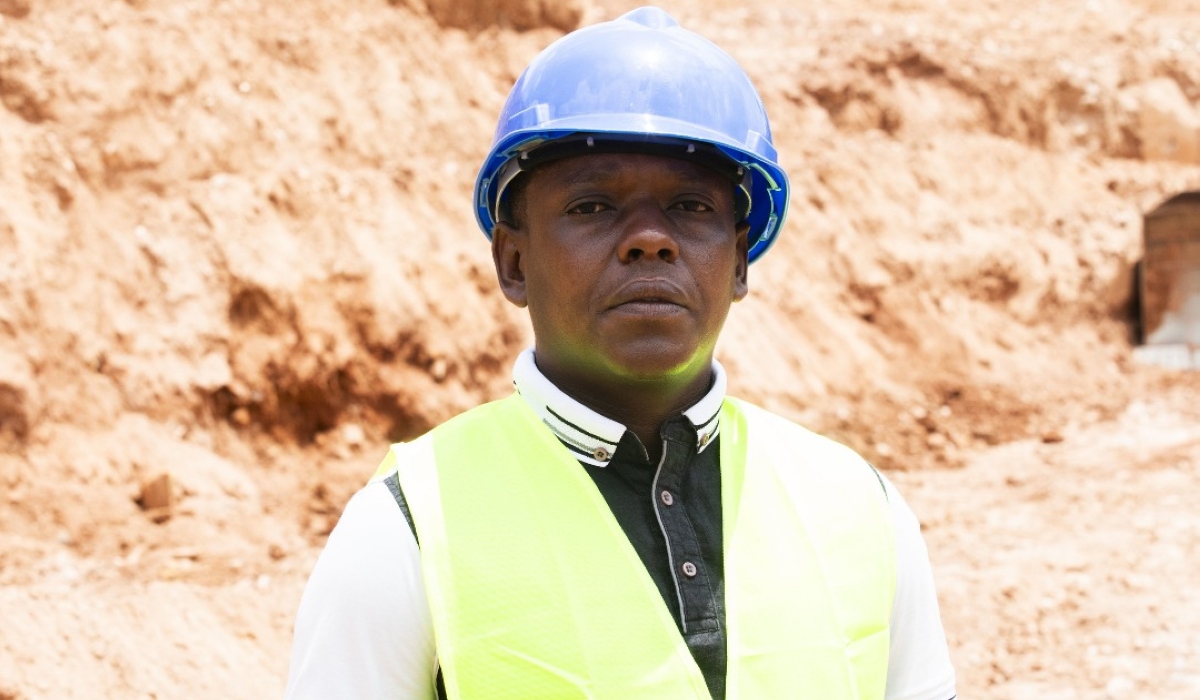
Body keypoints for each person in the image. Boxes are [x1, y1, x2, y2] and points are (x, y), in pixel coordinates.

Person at [284, 7, 956, 699]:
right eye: (593, 206)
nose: (649, 241)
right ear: (513, 263)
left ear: (740, 261)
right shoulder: (408, 529)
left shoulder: (859, 508)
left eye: (691, 207)